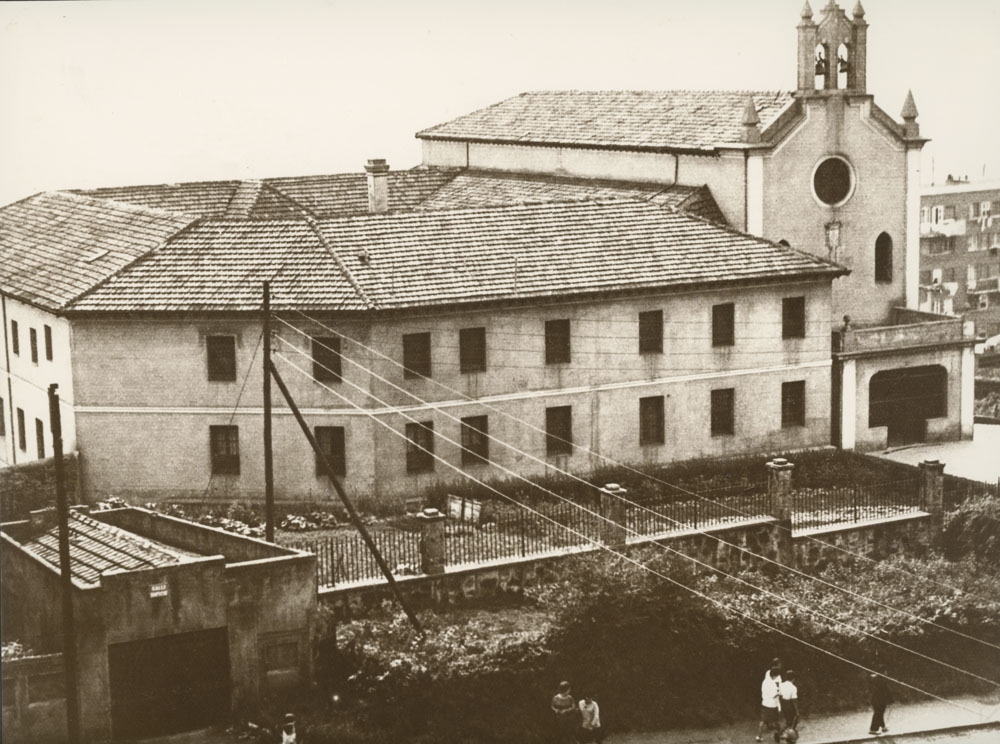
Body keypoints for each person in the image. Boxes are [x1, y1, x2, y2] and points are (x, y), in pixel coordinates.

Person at [756, 661, 783, 742]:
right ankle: (778, 737)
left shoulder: (764, 681)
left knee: (762, 721)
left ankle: (759, 736)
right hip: (772, 705)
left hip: (764, 703)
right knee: (776, 721)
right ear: (775, 675)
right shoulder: (772, 684)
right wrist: (780, 694)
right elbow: (774, 695)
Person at [778, 670, 800, 739]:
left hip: (783, 703)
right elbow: (794, 700)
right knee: (794, 720)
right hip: (790, 705)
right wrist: (797, 711)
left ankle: (780, 733)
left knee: (788, 721)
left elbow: (780, 695)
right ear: (793, 678)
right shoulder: (793, 687)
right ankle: (789, 735)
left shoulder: (781, 685)